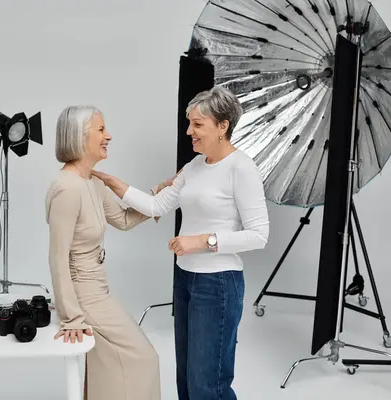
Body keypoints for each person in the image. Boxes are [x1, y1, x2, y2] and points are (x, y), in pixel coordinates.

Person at [92, 86, 270, 400]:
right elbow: (156, 206)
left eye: (198, 124)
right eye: (189, 123)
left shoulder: (242, 169)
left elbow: (259, 235)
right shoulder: (193, 167)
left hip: (218, 284)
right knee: (187, 381)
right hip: (186, 279)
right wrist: (114, 183)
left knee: (207, 385)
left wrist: (204, 241)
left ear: (222, 126)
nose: (189, 131)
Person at [45, 105, 165, 400]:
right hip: (83, 297)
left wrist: (159, 196)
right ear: (79, 136)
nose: (108, 136)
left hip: (99, 290)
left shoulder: (92, 182)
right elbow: (57, 257)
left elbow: (124, 219)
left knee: (109, 364)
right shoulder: (67, 188)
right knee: (144, 358)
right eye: (101, 130)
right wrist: (72, 317)